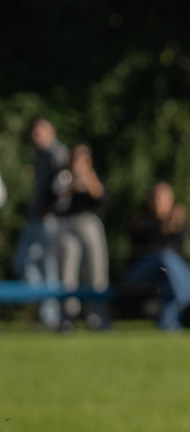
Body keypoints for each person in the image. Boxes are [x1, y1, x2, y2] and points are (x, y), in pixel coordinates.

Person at [124, 182, 190, 332]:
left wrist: (178, 226)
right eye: (155, 197)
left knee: (170, 281)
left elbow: (180, 254)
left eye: (162, 197)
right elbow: (152, 242)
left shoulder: (176, 223)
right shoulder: (141, 221)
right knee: (166, 257)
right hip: (137, 275)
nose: (158, 200)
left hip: (166, 276)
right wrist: (166, 228)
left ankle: (168, 325)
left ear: (171, 201)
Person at [13, 118, 68, 327]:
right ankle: (43, 303)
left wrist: (53, 210)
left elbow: (63, 187)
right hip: (33, 218)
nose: (35, 133)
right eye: (34, 130)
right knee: (21, 263)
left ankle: (50, 316)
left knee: (49, 267)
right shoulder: (38, 155)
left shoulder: (58, 154)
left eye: (40, 130)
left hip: (48, 220)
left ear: (51, 131)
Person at [52, 143, 109, 329]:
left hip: (88, 223)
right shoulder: (63, 177)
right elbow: (57, 203)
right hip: (67, 225)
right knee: (67, 273)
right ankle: (67, 319)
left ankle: (97, 318)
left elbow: (100, 198)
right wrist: (71, 186)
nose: (77, 163)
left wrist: (87, 179)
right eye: (75, 158)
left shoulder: (92, 177)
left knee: (96, 271)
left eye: (82, 159)